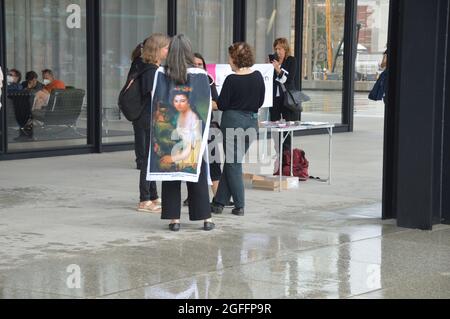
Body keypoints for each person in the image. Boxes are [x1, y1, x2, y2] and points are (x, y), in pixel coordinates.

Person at [159, 34, 215, 232]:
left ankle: (174, 219)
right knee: (197, 171)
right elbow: (206, 104)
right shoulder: (200, 76)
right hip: (194, 131)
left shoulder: (162, 74)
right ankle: (205, 217)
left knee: (171, 174)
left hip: (170, 132)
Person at [210, 42, 266, 217]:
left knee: (234, 164)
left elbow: (222, 104)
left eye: (230, 57)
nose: (228, 61)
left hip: (233, 121)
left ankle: (240, 205)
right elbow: (260, 102)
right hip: (252, 122)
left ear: (235, 59)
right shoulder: (258, 76)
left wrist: (209, 103)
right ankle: (219, 202)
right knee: (232, 162)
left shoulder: (231, 79)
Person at [182, 53, 228, 207]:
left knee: (214, 163)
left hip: (209, 127)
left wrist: (201, 103)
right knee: (192, 163)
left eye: (200, 64)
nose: (197, 67)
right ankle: (192, 197)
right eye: (194, 64)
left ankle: (218, 199)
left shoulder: (208, 80)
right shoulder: (183, 81)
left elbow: (216, 104)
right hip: (189, 129)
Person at [134, 34, 170, 214]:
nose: (168, 51)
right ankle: (144, 199)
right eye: (166, 48)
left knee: (152, 157)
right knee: (148, 159)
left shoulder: (152, 68)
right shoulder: (151, 71)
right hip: (150, 118)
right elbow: (153, 96)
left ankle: (153, 196)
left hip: (151, 117)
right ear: (157, 49)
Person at [269, 38, 297, 152]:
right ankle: (277, 151)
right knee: (274, 126)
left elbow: (289, 80)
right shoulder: (273, 62)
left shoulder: (291, 60)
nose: (278, 51)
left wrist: (278, 70)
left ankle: (286, 154)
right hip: (274, 98)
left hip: (286, 98)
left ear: (285, 49)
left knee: (286, 127)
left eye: (280, 48)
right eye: (276, 49)